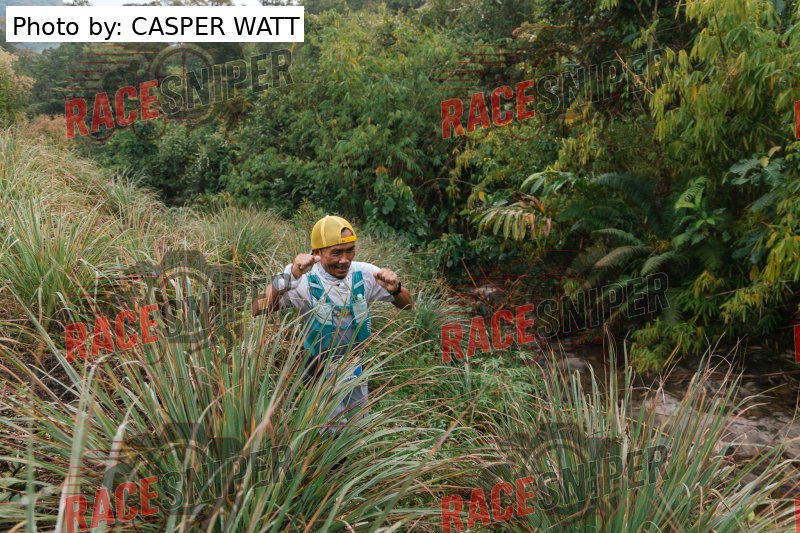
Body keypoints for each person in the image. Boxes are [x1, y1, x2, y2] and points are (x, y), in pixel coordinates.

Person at [252, 215, 413, 430]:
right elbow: (258, 308)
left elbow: (407, 305)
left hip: (355, 364)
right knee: (327, 430)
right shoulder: (303, 280)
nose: (344, 260)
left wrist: (396, 288)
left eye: (350, 250)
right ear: (317, 253)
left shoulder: (365, 273)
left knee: (357, 424)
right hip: (318, 367)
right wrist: (290, 274)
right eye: (336, 252)